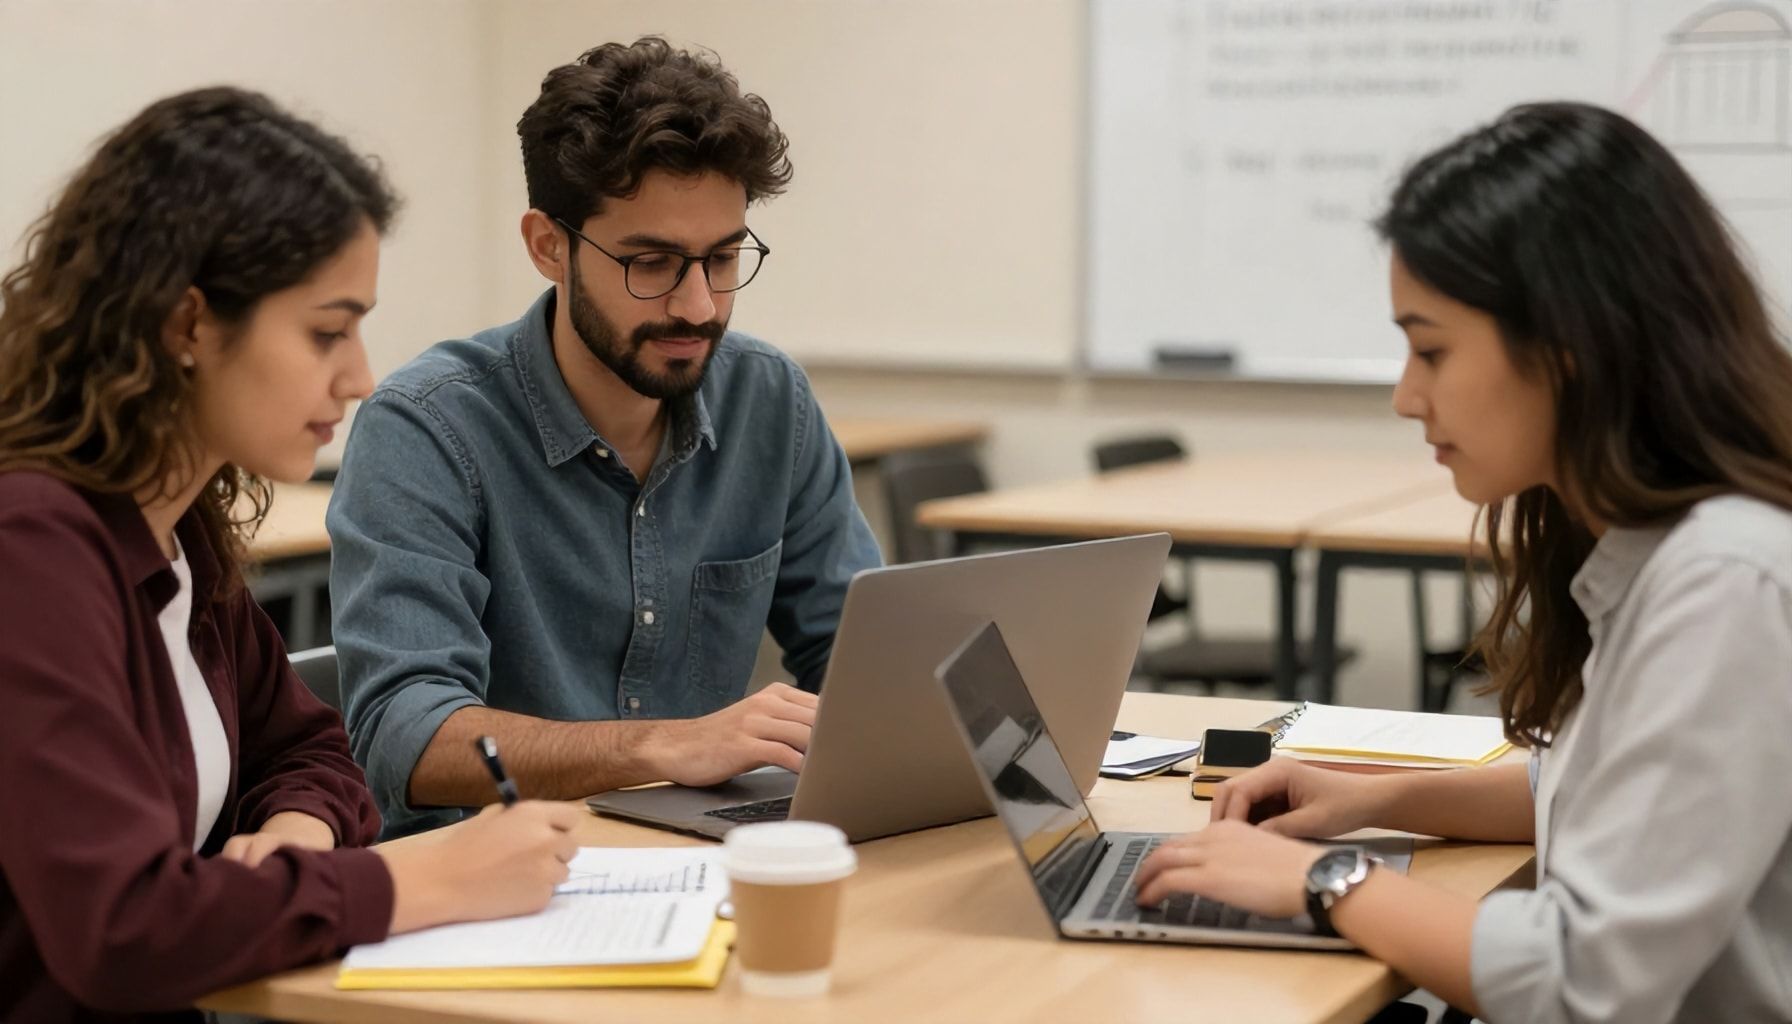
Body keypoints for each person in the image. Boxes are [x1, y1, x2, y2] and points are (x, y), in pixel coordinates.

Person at [1133, 101, 1792, 1023]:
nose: (1408, 397)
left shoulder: (1726, 581)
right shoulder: (1657, 548)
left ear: (1571, 350)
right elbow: (1615, 793)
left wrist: (1328, 879)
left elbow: (1580, 982)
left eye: (1431, 350)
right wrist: (1369, 798)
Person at [0, 87, 582, 1022]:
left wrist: (299, 829)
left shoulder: (179, 525)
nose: (357, 376)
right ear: (188, 326)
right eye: (325, 331)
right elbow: (119, 929)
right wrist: (429, 883)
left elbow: (310, 743)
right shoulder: (33, 551)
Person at [328, 37, 882, 837]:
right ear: (549, 246)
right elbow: (407, 737)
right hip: (488, 886)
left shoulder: (770, 400)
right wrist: (664, 746)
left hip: (699, 862)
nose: (699, 306)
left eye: (723, 258)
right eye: (651, 263)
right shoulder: (428, 429)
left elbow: (858, 655)